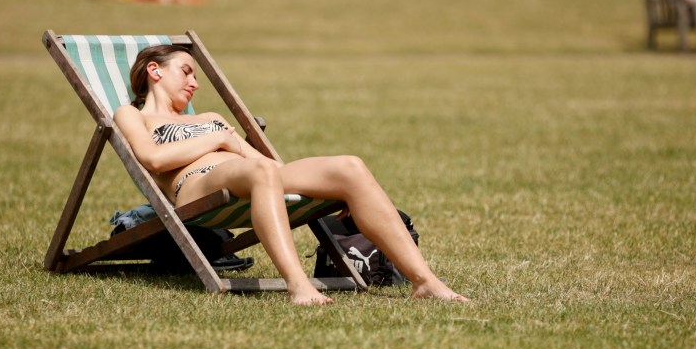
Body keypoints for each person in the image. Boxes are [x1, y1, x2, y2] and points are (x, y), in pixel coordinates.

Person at [112, 45, 470, 305]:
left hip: (248, 175)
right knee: (259, 167)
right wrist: (222, 137)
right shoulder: (133, 115)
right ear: (154, 71)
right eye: (186, 71)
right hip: (195, 186)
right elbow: (152, 158)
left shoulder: (209, 117)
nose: (195, 82)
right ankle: (299, 286)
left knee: (349, 167)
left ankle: (425, 282)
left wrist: (332, 190)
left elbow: (272, 171)